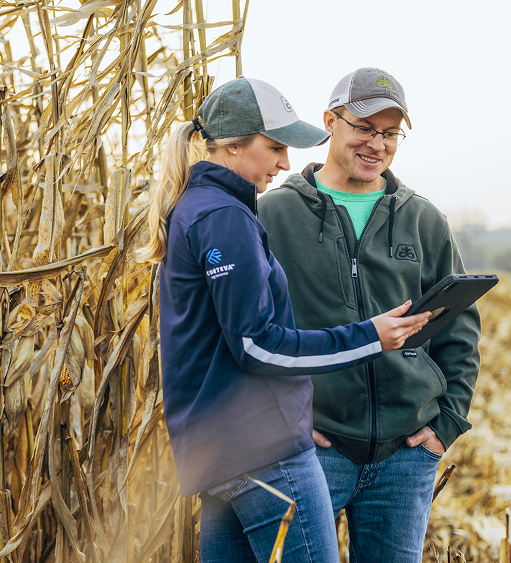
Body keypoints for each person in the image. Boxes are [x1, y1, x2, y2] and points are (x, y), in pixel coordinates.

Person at [139, 76, 430, 563]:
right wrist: (370, 337)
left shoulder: (199, 207)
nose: (285, 163)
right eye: (274, 147)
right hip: (263, 449)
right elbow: (257, 345)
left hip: (220, 452)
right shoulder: (223, 217)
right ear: (233, 146)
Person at [258, 68, 482, 562]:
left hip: (406, 456)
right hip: (310, 449)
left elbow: (460, 328)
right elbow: (247, 331)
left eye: (389, 132)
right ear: (330, 122)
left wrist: (446, 422)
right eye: (363, 127)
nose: (376, 144)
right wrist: (276, 423)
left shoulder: (423, 219)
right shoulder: (273, 215)